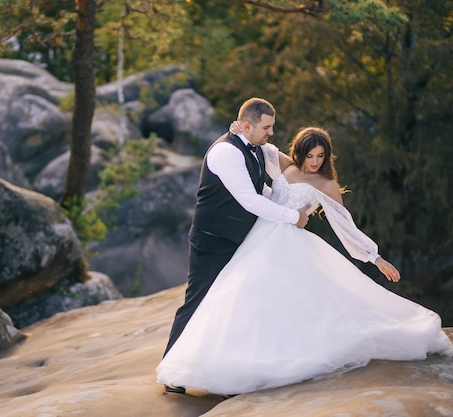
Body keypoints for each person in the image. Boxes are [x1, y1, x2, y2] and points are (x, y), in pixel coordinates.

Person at [156, 126, 453, 397]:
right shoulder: (284, 164)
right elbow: (261, 146)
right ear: (299, 152)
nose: (314, 162)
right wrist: (235, 129)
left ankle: (261, 365)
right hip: (257, 237)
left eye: (320, 156)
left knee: (276, 299)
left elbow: (345, 226)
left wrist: (374, 257)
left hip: (287, 244)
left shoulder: (326, 184)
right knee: (239, 297)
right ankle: (222, 364)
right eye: (309, 155)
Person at [161, 99, 311, 395]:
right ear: (247, 126)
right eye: (266, 127)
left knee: (233, 305)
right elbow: (250, 201)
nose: (270, 133)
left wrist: (290, 201)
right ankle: (171, 371)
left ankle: (226, 374)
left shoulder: (255, 149)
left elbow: (261, 189)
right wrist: (293, 217)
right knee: (198, 301)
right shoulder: (226, 152)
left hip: (238, 240)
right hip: (212, 241)